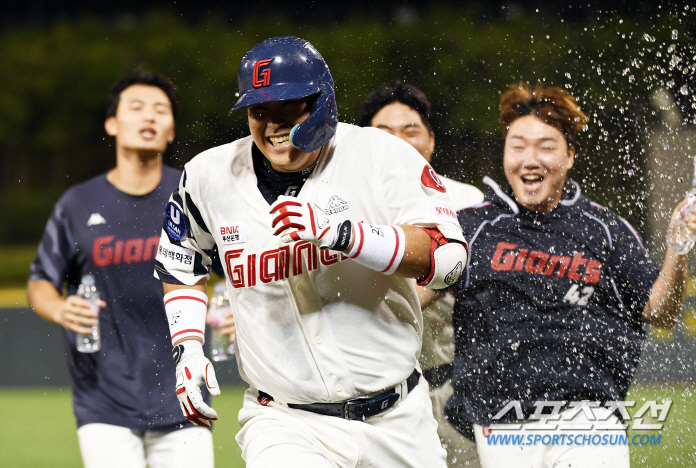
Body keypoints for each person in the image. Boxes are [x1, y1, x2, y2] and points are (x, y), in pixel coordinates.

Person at [154, 36, 469, 468]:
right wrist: (188, 349)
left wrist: (347, 235)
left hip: (398, 420)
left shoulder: (379, 154)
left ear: (324, 103)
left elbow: (449, 260)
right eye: (259, 111)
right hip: (284, 422)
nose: (273, 124)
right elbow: (182, 260)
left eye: (289, 106)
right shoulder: (209, 176)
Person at [446, 83, 695, 467]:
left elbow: (660, 312)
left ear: (570, 156)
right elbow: (412, 296)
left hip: (588, 419)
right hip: (500, 421)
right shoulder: (471, 227)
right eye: (518, 146)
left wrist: (677, 250)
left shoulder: (605, 229)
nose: (530, 159)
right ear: (504, 155)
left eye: (546, 146)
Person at [27, 70, 214, 468]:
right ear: (111, 124)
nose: (149, 116)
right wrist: (60, 309)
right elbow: (40, 282)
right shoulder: (77, 203)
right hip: (103, 399)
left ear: (171, 131)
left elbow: (234, 270)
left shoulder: (193, 195)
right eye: (136, 107)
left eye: (160, 110)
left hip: (184, 391)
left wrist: (230, 303)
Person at [358, 81, 483, 467]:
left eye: (410, 130)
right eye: (384, 133)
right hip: (369, 388)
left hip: (452, 384)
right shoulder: (343, 207)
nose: (398, 142)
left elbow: (450, 277)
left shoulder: (468, 202)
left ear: (430, 140)